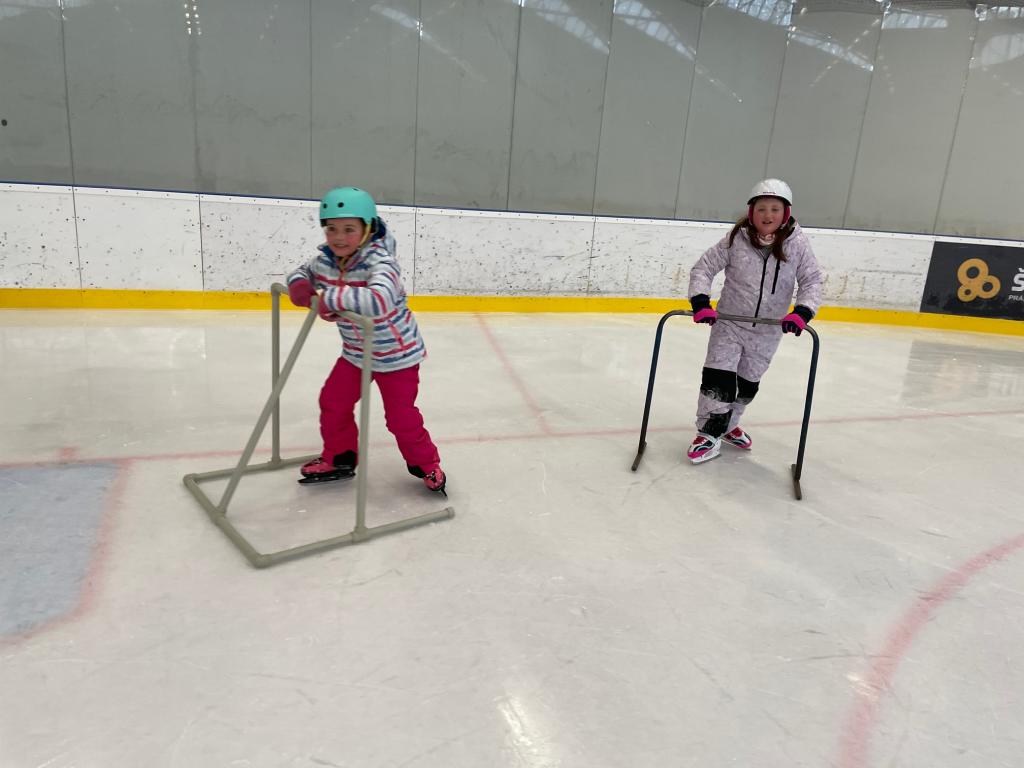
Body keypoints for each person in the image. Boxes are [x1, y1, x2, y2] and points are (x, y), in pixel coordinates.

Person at [285, 186, 446, 494]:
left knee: (400, 418)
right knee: (333, 402)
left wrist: (329, 298)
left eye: (349, 229)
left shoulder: (381, 263)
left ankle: (426, 464)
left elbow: (378, 300)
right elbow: (302, 271)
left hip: (397, 357)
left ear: (367, 228)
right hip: (357, 353)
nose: (338, 237)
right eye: (331, 229)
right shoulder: (326, 261)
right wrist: (300, 286)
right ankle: (340, 458)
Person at [686, 179, 824, 464]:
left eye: (775, 209)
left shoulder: (797, 244)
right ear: (751, 212)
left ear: (785, 213)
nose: (767, 215)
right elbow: (703, 268)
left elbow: (812, 280)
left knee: (747, 385)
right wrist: (701, 302)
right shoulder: (736, 239)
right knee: (718, 380)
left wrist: (802, 312)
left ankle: (728, 424)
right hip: (730, 324)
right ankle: (709, 432)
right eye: (761, 209)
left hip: (768, 331)